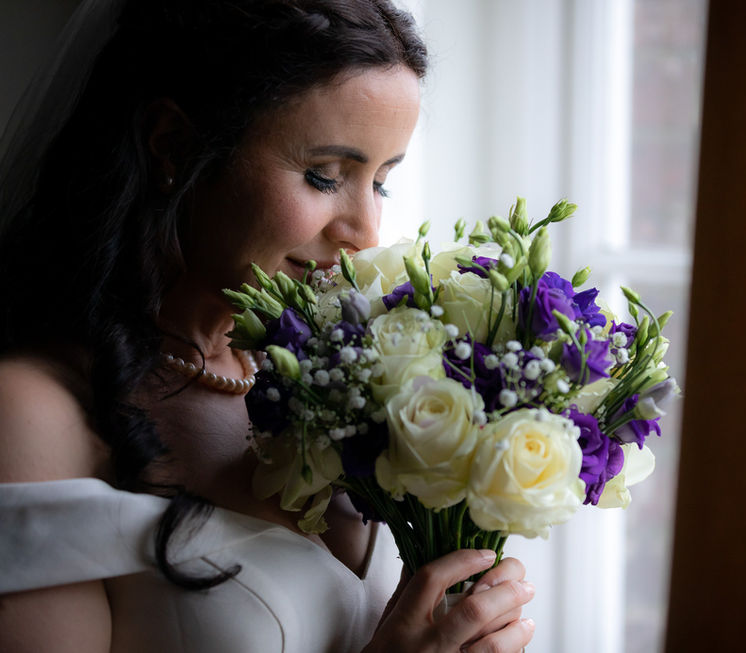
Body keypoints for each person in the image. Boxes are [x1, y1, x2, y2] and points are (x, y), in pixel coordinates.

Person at [0, 1, 536, 651]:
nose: (365, 232)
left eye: (382, 183)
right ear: (173, 145)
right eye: (323, 175)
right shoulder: (32, 410)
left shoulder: (343, 373)